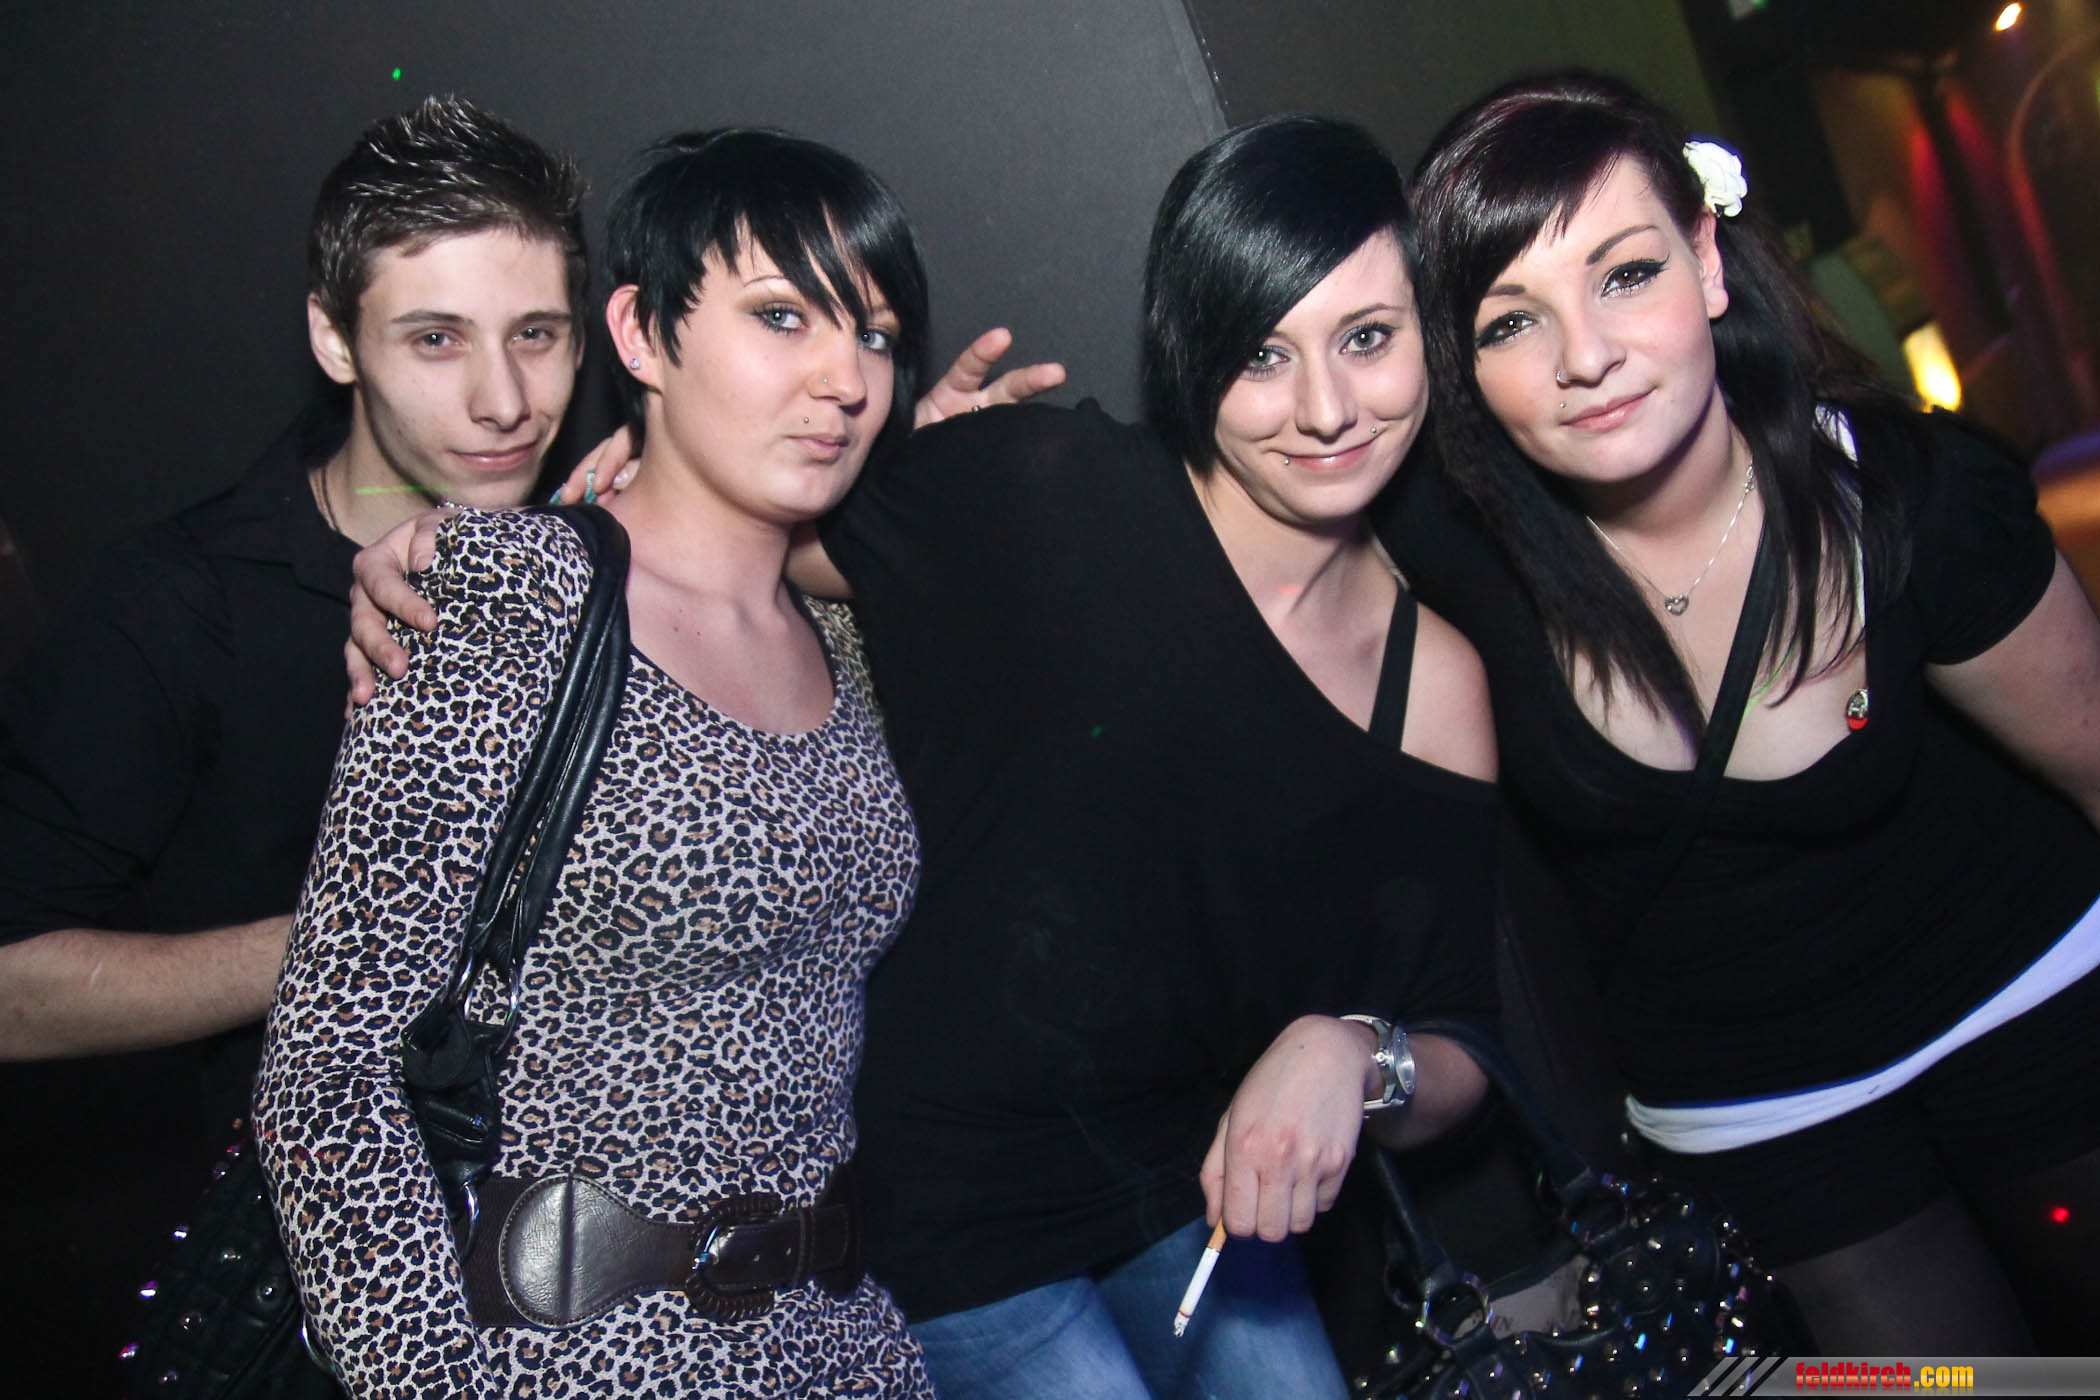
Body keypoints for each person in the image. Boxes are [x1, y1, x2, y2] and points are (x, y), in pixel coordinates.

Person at [353, 114, 1498, 1398]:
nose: (1326, 408)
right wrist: (494, 539)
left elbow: (1465, 1049)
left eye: (1368, 338)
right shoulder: (1037, 485)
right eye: (1263, 352)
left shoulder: (1435, 683)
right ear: (1192, 350)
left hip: (1202, 1199)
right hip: (939, 1212)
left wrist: (1359, 1052)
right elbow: (737, 536)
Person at [1391, 71, 2100, 1352]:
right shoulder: (1460, 569)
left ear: (1709, 264)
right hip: (1767, 1122)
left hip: (2032, 1000)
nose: (1585, 357)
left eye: (1625, 274)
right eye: (1511, 323)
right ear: (1467, 371)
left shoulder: (1911, 499)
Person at [255, 127, 947, 1397]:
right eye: (782, 316)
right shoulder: (510, 599)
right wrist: (436, 1380)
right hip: (582, 1356)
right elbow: (328, 1072)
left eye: (877, 334)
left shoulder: (844, 637)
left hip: (839, 1344)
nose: (845, 377)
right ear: (640, 335)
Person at [0, 95, 590, 1389]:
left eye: (537, 335)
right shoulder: (180, 606)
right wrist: (353, 945)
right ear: (333, 337)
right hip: (265, 1311)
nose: (503, 400)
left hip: (542, 1299)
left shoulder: (598, 570)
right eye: (435, 338)